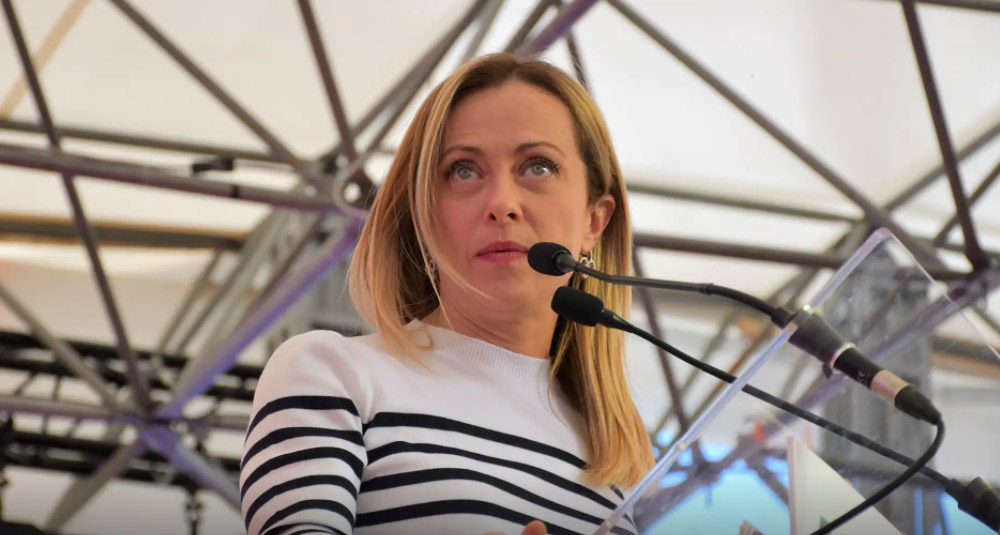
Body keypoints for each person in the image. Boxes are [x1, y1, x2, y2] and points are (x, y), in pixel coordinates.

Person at [239, 53, 654, 535]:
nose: (502, 204)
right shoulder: (333, 373)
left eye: (538, 167)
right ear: (423, 216)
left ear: (594, 221)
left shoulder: (617, 458)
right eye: (463, 171)